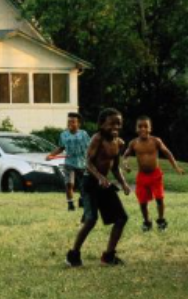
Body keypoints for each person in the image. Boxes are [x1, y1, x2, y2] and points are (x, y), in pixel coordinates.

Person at [66, 108, 131, 267]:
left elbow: (115, 168)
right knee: (91, 219)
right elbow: (87, 163)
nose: (115, 127)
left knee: (121, 218)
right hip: (90, 183)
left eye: (118, 124)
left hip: (104, 184)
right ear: (102, 124)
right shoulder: (97, 139)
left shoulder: (118, 142)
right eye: (111, 124)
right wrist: (100, 177)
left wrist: (123, 183)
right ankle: (73, 255)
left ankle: (108, 256)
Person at [120, 116, 185, 232]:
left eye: (146, 126)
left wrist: (176, 167)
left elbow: (168, 153)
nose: (143, 129)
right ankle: (147, 222)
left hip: (155, 175)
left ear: (150, 128)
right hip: (142, 177)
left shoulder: (156, 141)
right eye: (140, 126)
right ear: (136, 129)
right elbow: (125, 156)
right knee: (142, 202)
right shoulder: (133, 143)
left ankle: (161, 221)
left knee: (159, 198)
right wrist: (125, 165)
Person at [46, 113, 91, 212]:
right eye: (69, 121)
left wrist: (91, 159)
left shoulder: (83, 134)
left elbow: (90, 147)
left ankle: (82, 199)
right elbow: (61, 148)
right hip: (69, 163)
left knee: (83, 184)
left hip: (82, 163)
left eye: (73, 122)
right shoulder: (64, 135)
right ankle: (70, 204)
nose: (70, 123)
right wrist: (51, 155)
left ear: (78, 124)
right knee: (69, 184)